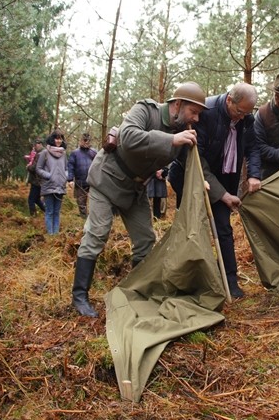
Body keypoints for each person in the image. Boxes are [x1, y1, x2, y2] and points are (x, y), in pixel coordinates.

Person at [71, 83, 207, 317]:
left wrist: (201, 181)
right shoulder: (146, 110)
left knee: (145, 239)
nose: (195, 119)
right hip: (107, 179)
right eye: (193, 112)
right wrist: (172, 140)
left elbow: (188, 163)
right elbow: (129, 137)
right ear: (177, 104)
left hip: (135, 190)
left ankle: (137, 292)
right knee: (98, 233)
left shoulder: (182, 130)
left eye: (198, 114)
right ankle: (80, 296)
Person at [169, 83, 262, 299]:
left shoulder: (246, 119)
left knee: (224, 229)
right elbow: (196, 159)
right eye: (240, 111)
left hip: (221, 179)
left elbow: (253, 147)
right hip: (191, 176)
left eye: (247, 113)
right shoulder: (205, 113)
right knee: (190, 227)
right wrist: (223, 194)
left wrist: (254, 174)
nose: (242, 117)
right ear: (229, 99)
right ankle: (186, 280)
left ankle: (229, 280)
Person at [36, 129, 68, 235]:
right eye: (56, 138)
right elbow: (38, 169)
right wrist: (49, 176)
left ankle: (56, 235)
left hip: (60, 186)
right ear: (52, 139)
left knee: (57, 212)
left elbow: (66, 168)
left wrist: (65, 177)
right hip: (48, 186)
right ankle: (50, 235)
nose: (58, 141)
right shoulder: (44, 152)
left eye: (60, 138)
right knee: (49, 211)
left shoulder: (63, 153)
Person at [67, 132, 97, 219]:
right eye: (84, 140)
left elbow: (99, 165)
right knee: (81, 203)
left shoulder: (94, 152)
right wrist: (70, 179)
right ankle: (84, 220)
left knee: (94, 201)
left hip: (92, 182)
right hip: (80, 183)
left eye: (88, 140)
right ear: (81, 140)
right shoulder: (75, 153)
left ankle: (93, 219)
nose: (86, 142)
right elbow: (70, 166)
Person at [25, 138, 46, 217]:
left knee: (31, 199)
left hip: (37, 181)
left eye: (36, 144)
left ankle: (33, 217)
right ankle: (47, 212)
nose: (35, 147)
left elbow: (35, 168)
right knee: (37, 199)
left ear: (40, 144)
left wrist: (28, 167)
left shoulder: (40, 154)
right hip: (39, 181)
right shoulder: (41, 153)